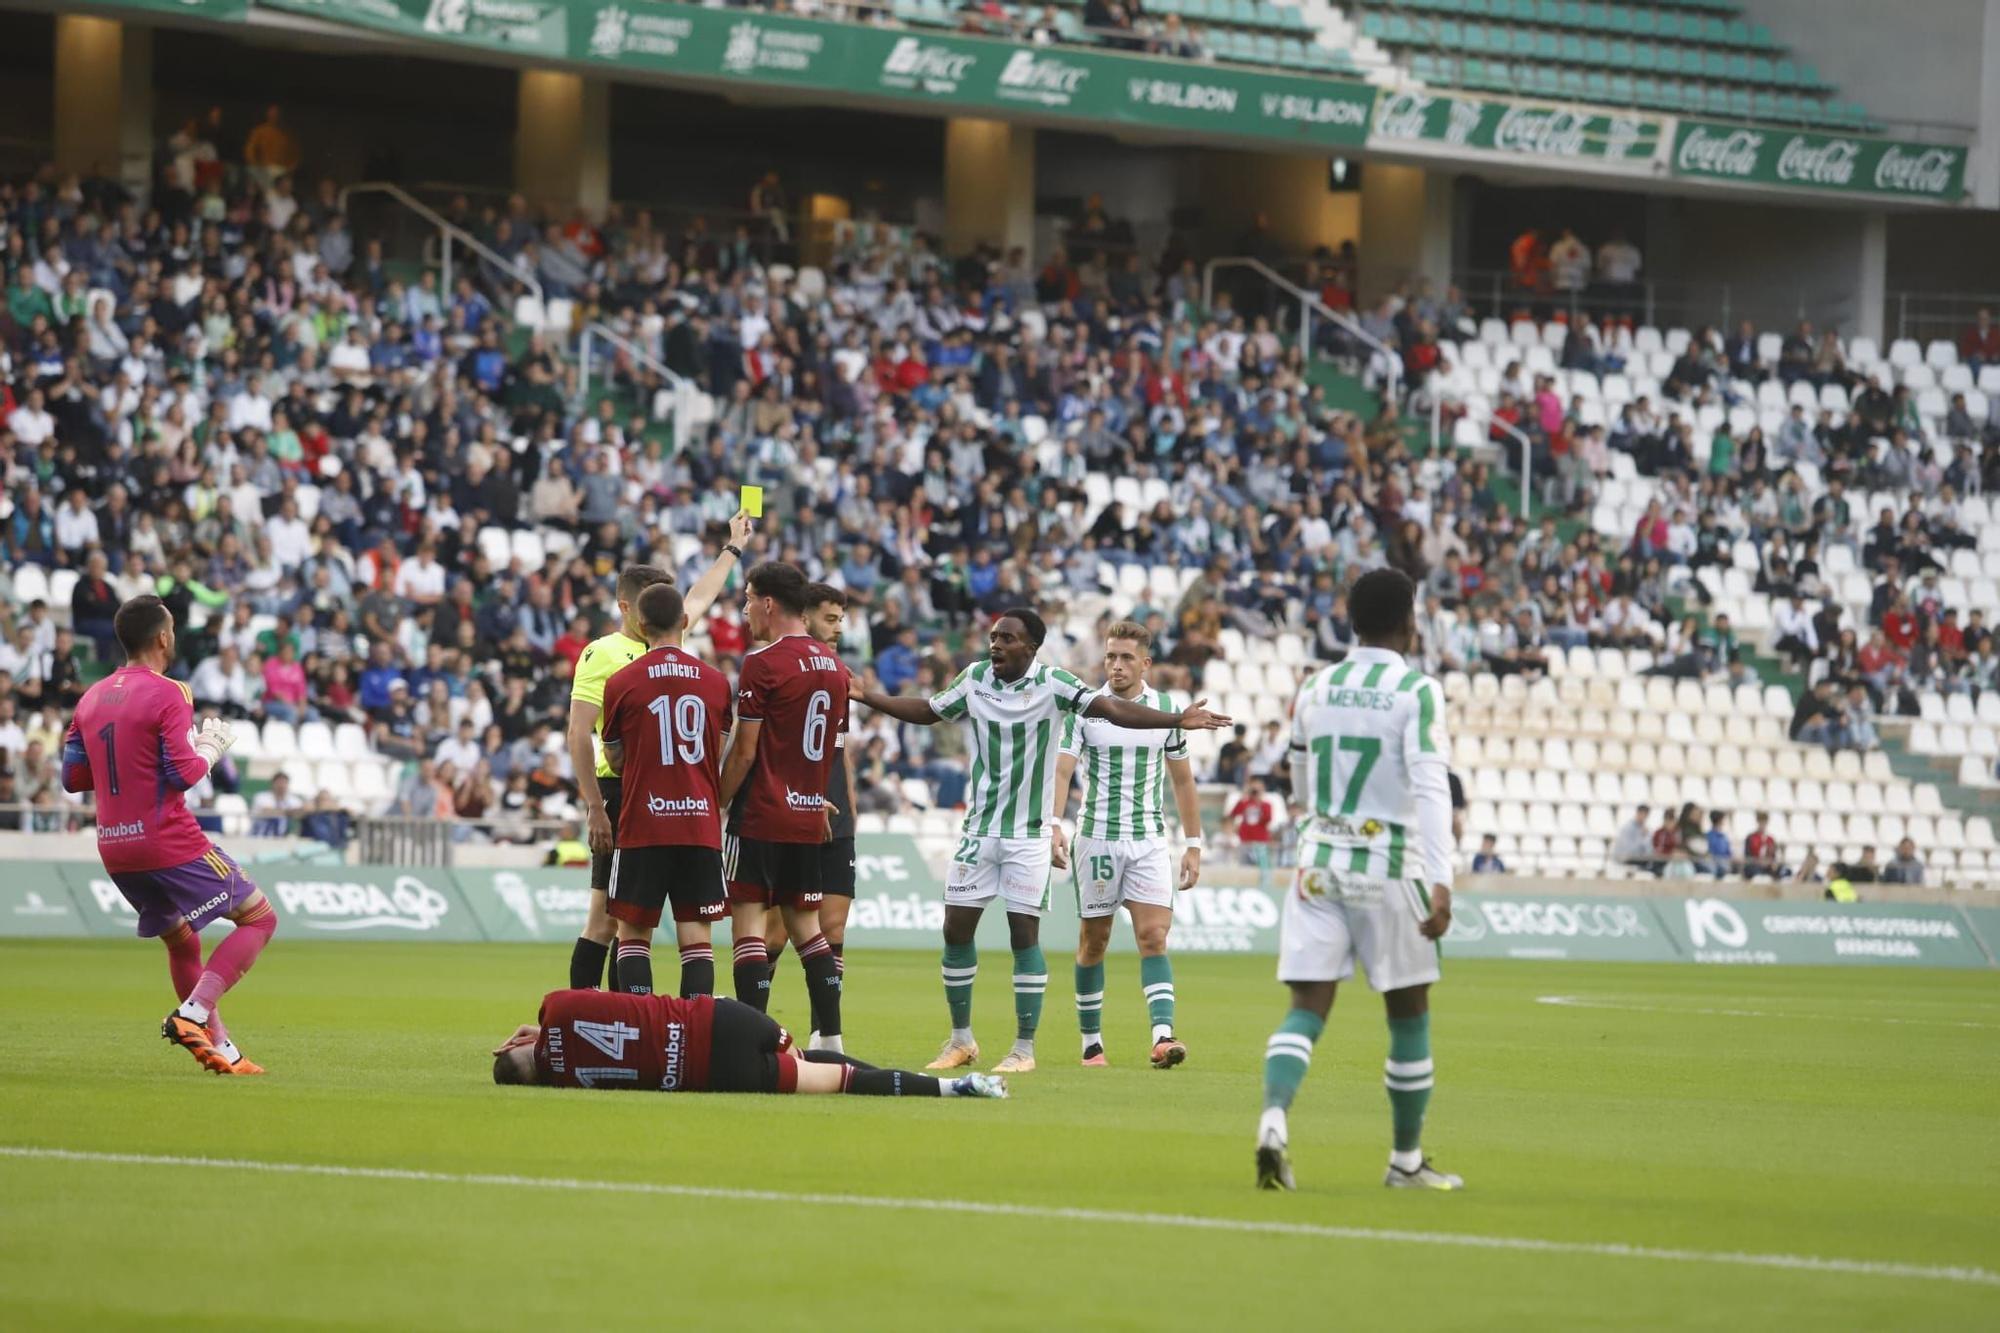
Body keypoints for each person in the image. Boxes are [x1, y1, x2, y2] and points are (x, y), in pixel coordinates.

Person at [852, 608, 1228, 1075]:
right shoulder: (974, 679)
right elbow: (928, 711)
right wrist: (867, 696)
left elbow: (1111, 709)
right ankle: (962, 1040)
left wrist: (1174, 720)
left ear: (1030, 647)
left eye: (1006, 638)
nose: (995, 645)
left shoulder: (1055, 684)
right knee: (955, 930)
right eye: (993, 637)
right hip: (980, 830)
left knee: (1029, 935)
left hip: (1032, 835)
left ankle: (1026, 1049)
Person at [1256, 568, 1460, 1192]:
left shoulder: (1315, 688)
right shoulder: (1417, 690)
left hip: (1318, 865)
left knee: (1306, 1008)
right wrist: (1442, 879)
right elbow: (1430, 784)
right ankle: (1405, 1162)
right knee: (1408, 1013)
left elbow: (1298, 776)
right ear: (1409, 622)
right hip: (1390, 867)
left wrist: (1324, 818)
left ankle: (1272, 1121)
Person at [60, 595, 273, 1076]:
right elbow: (183, 774)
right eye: (172, 629)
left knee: (182, 943)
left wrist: (131, 767)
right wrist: (210, 748)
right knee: (260, 919)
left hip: (114, 845)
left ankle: (222, 1051)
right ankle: (192, 1016)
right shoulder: (171, 691)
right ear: (162, 637)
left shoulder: (90, 697)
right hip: (166, 838)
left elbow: (72, 779)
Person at [568, 513, 750, 993]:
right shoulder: (602, 654)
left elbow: (703, 594)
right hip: (620, 791)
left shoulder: (668, 642)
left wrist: (732, 547)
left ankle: (623, 1019)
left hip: (663, 791)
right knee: (605, 920)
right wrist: (594, 806)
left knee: (628, 923)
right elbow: (578, 735)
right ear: (628, 608)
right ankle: (588, 1017)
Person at [1049, 622, 1202, 1070]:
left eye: (1126, 658)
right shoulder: (1086, 710)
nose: (1116, 665)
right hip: (1096, 839)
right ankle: (1092, 1043)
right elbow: (1061, 772)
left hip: (1149, 842)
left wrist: (1193, 843)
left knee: (1153, 936)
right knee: (1093, 942)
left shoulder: (1169, 711)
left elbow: (1182, 779)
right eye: (1111, 657)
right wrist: (1055, 824)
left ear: (1146, 664)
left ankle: (1162, 1036)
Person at [716, 562, 849, 1051]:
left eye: (749, 598)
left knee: (749, 926)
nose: (746, 608)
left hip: (762, 815)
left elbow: (746, 751)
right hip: (807, 815)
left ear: (769, 603)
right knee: (808, 931)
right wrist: (814, 802)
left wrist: (716, 803)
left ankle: (753, 1043)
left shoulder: (762, 662)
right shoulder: (835, 668)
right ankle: (830, 1040)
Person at [596, 582, 733, 999]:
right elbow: (718, 749)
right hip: (698, 825)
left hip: (644, 823)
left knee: (634, 935)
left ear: (640, 624)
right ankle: (696, 1038)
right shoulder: (715, 681)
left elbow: (615, 757)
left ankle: (641, 1037)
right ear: (686, 622)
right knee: (696, 941)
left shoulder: (621, 681)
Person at [492, 989, 1006, 1099]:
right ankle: (932, 1079)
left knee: (838, 1082)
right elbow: (578, 1018)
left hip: (714, 1074)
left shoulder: (560, 1079)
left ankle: (955, 1088)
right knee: (809, 1055)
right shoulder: (554, 1008)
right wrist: (538, 1027)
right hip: (722, 1020)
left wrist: (542, 1049)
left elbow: (563, 1055)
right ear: (517, 1045)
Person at [763, 584, 859, 1007]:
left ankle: (826, 1034)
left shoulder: (840, 675)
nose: (837, 628)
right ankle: (755, 1024)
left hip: (836, 818)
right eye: (830, 619)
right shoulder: (777, 670)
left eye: (840, 620)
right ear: (804, 618)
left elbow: (841, 751)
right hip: (789, 812)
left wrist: (850, 814)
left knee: (833, 929)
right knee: (775, 933)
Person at [1226, 776, 1275, 864]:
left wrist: (1259, 801)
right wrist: (1244, 795)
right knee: (1244, 868)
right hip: (1245, 841)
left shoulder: (1266, 805)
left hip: (1261, 842)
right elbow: (1233, 814)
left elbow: (1268, 818)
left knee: (1261, 867)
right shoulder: (1244, 803)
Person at [1612, 804, 1655, 873]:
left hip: (1637, 859)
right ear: (1638, 813)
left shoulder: (1645, 829)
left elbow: (1649, 849)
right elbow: (1629, 851)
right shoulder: (1627, 828)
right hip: (1626, 859)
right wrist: (1642, 837)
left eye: (1645, 815)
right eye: (1642, 814)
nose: (1643, 817)